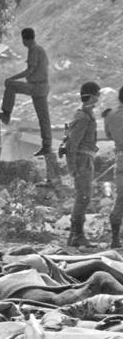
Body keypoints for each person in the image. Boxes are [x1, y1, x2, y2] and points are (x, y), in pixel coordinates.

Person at [0, 27, 52, 157]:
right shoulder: (39, 49)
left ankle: (6, 114)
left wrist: (12, 78)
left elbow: (29, 71)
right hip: (42, 87)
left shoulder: (34, 50)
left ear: (25, 39)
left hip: (37, 87)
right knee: (43, 118)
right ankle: (47, 146)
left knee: (11, 85)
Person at [62, 81, 101, 248]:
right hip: (82, 161)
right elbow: (72, 144)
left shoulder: (86, 115)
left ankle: (75, 235)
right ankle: (76, 235)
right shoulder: (83, 117)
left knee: (84, 197)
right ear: (92, 96)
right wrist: (72, 167)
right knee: (83, 197)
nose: (99, 98)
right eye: (97, 94)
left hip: (86, 159)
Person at [104, 85, 123, 248]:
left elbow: (109, 135)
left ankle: (115, 239)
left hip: (120, 158)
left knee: (120, 199)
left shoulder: (110, 115)